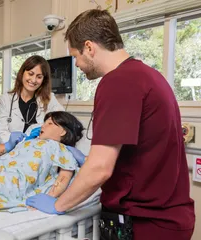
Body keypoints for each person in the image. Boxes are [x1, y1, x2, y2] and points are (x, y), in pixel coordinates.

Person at [26, 9, 195, 240]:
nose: (76, 64)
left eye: (75, 56)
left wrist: (58, 204)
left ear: (89, 47)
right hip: (168, 218)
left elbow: (100, 168)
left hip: (145, 223)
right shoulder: (149, 76)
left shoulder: (118, 81)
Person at [0, 55, 64, 144]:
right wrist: (24, 141)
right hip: (9, 152)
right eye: (30, 74)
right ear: (22, 73)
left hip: (36, 151)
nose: (33, 80)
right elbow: (1, 134)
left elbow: (64, 121)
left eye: (39, 77)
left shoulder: (49, 99)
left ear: (44, 80)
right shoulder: (5, 100)